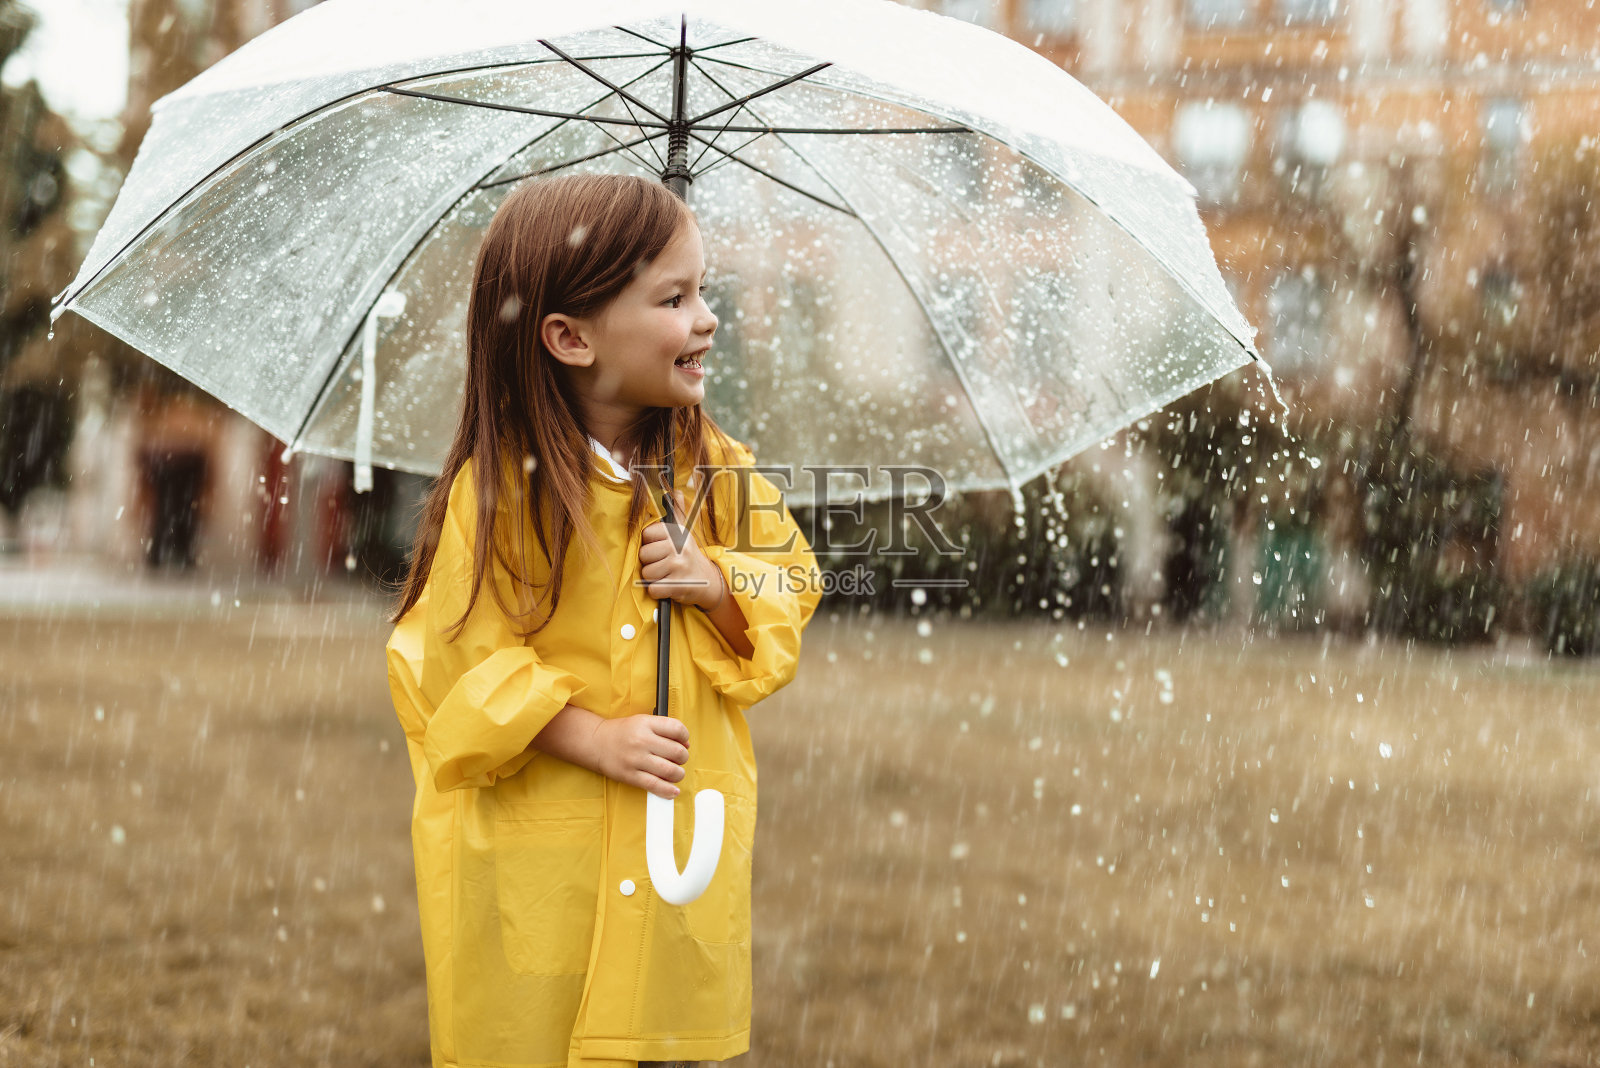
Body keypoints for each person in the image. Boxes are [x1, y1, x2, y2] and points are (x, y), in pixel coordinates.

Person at [383, 172, 823, 1068]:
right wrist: (591, 738)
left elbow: (793, 579)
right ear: (571, 337)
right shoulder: (500, 494)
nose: (706, 319)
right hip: (546, 871)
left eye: (705, 291)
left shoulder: (716, 469)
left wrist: (716, 581)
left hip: (675, 861)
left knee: (656, 1034)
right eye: (674, 297)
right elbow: (448, 671)